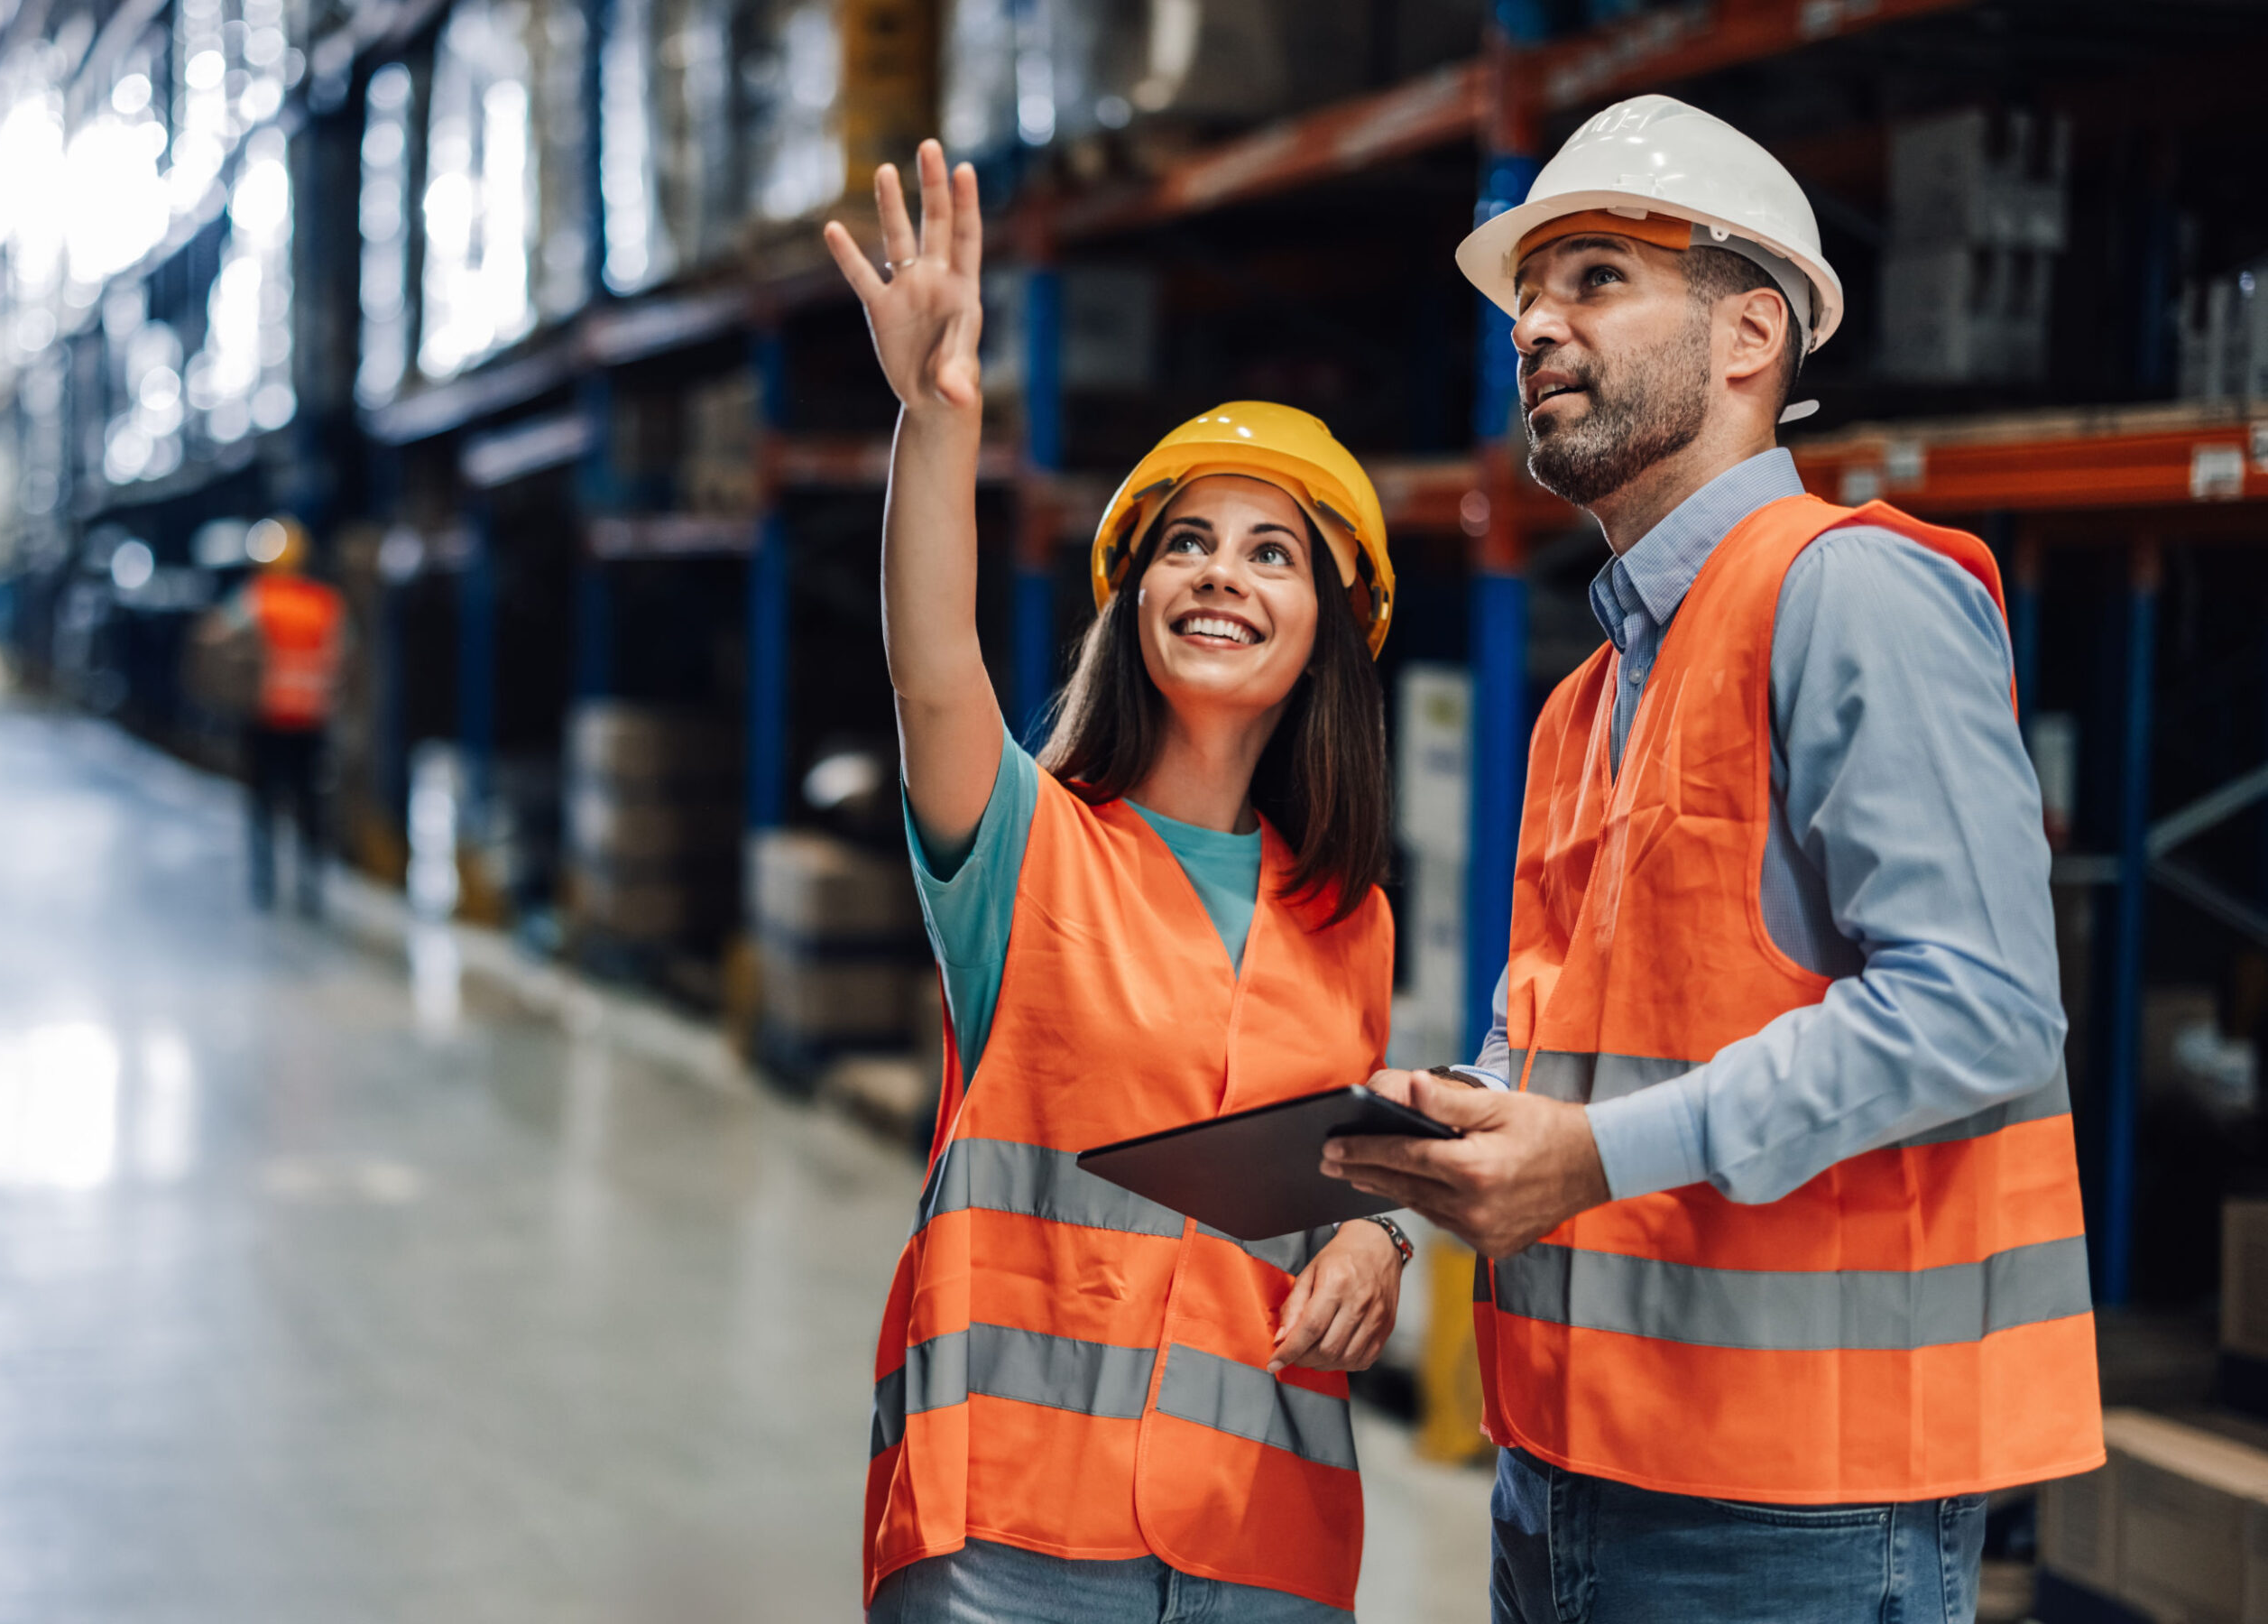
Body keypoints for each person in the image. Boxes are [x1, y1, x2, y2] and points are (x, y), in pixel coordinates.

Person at [1323, 95, 2103, 1624]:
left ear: (1751, 337)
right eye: (1528, 298)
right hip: (1568, 1464)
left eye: (1596, 278)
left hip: (1796, 1507)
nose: (1536, 326)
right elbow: (1559, 1051)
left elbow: (1983, 1011)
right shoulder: (1584, 698)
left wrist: (1592, 1158)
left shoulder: (1851, 597)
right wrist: (1409, 1171)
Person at [825, 141, 1413, 1623]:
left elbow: (1316, 1181)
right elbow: (934, 664)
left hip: (1261, 1547)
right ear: (1133, 599)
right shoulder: (1026, 849)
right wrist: (941, 420)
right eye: (1187, 545)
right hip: (1008, 1539)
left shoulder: (1348, 920)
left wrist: (1372, 1231)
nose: (1224, 573)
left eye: (1274, 552)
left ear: (1327, 632)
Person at [197, 515, 346, 917]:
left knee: (264, 799)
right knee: (309, 801)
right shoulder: (324, 603)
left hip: (266, 716)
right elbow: (345, 659)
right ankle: (312, 885)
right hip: (312, 719)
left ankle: (264, 882)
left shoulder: (256, 598)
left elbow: (212, 637)